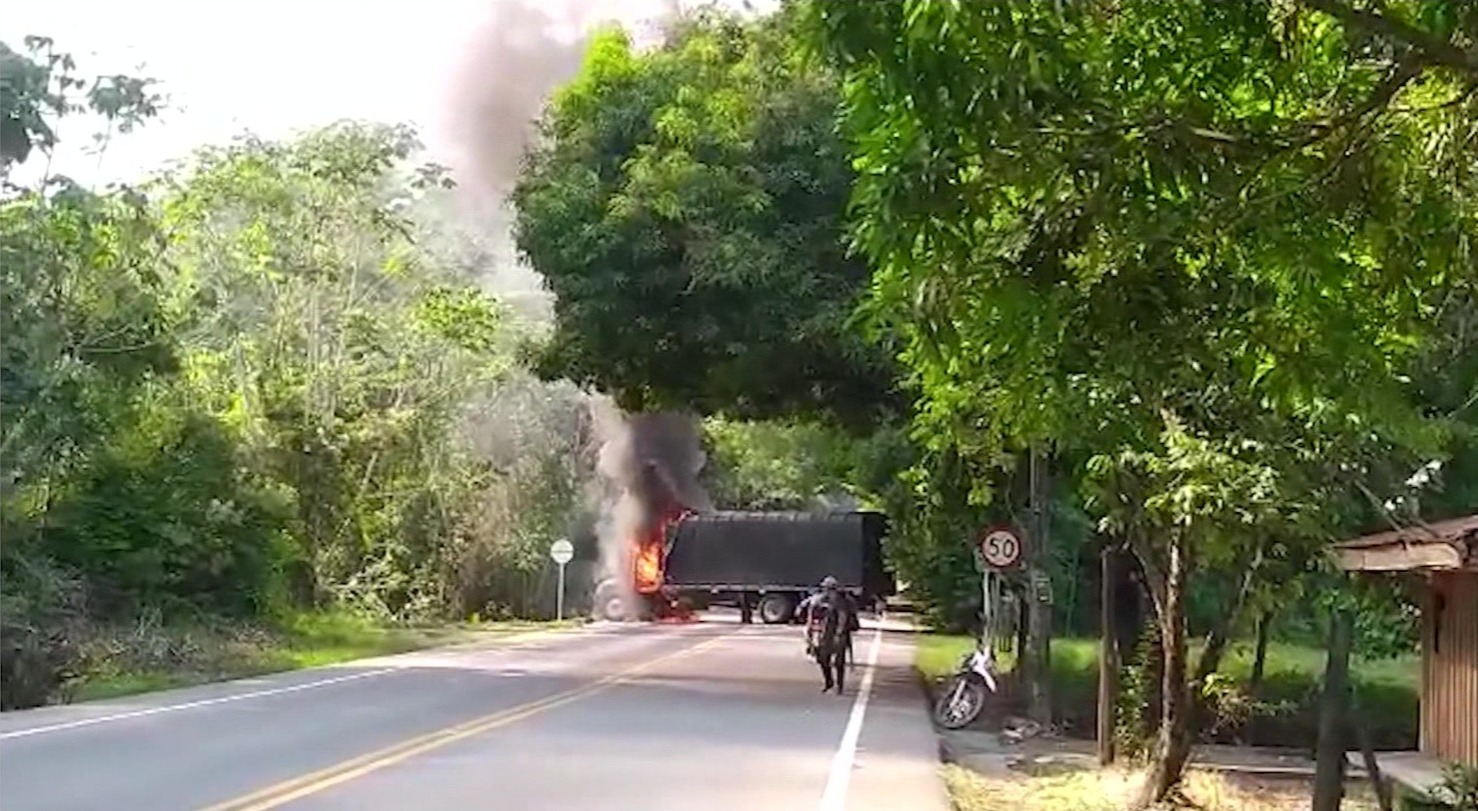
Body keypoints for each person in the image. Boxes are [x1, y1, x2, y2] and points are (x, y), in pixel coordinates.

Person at [803, 576, 860, 694]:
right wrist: (809, 634)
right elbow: (811, 617)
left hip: (840, 634)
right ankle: (829, 682)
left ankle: (840, 686)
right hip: (824, 633)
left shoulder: (842, 601)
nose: (828, 591)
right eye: (826, 588)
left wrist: (839, 633)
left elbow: (842, 618)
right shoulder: (818, 600)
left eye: (830, 588)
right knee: (823, 659)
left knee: (839, 662)